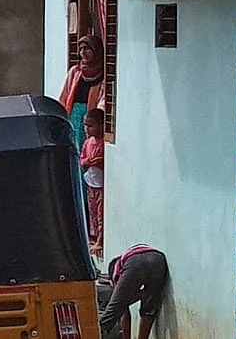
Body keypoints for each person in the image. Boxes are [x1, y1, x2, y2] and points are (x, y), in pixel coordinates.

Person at [99, 245, 168, 339]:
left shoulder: (116, 268)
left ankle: (93, 334)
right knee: (149, 309)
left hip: (135, 262)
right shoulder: (127, 258)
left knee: (113, 310)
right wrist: (142, 294)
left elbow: (123, 311)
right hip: (158, 260)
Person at [59, 34, 106, 149]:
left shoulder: (103, 75)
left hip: (91, 119)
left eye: (87, 49)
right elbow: (65, 96)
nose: (83, 52)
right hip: (74, 117)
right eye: (80, 49)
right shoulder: (75, 72)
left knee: (89, 148)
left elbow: (103, 101)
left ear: (96, 51)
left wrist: (95, 118)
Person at [81, 109, 105, 256]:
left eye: (91, 126)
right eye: (86, 125)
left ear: (102, 126)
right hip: (91, 183)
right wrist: (88, 162)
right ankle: (94, 236)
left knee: (101, 213)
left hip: (101, 185)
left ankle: (100, 241)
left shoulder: (104, 144)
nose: (87, 129)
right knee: (93, 212)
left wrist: (100, 163)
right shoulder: (88, 143)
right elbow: (81, 160)